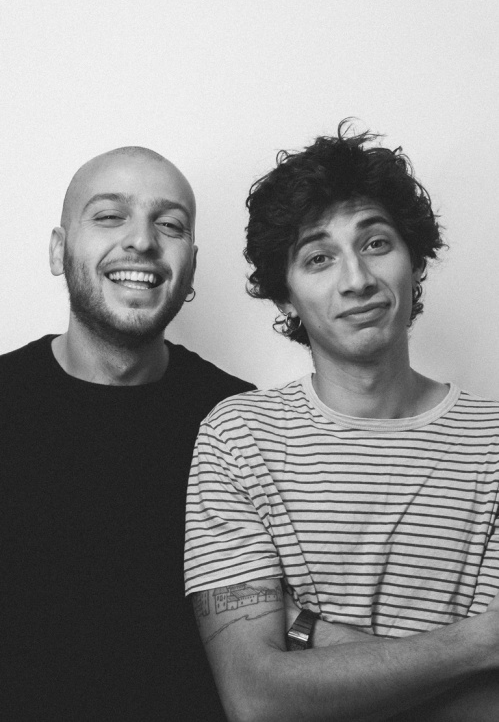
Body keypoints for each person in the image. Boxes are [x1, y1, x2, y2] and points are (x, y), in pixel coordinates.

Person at [184, 122, 499, 721]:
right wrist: (477, 643)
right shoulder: (238, 438)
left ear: (414, 261)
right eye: (319, 258)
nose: (357, 280)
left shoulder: (494, 443)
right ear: (285, 295)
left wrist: (304, 631)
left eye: (376, 243)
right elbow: (257, 699)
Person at [0, 147, 253, 721]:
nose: (141, 240)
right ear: (59, 250)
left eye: (170, 225)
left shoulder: (239, 423)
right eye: (110, 215)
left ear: (191, 267)